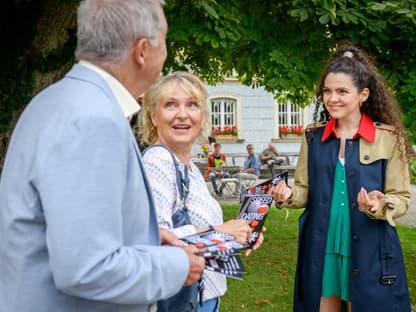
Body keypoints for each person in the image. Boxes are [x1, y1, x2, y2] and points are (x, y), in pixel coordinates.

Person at [0, 1, 205, 311]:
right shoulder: (93, 119)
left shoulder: (58, 100)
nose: (165, 50)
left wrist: (145, 240)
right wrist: (175, 265)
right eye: (164, 39)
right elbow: (86, 269)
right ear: (142, 51)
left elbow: (67, 226)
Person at [272, 42, 411, 311]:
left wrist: (377, 205)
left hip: (370, 248)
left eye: (342, 91)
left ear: (363, 94)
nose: (332, 98)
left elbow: (401, 198)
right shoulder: (312, 137)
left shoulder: (389, 139)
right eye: (327, 91)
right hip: (322, 246)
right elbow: (303, 190)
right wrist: (288, 195)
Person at [139, 71, 264, 312]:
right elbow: (154, 238)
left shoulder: (189, 168)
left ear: (203, 116)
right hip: (180, 302)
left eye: (192, 105)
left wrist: (237, 235)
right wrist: (220, 230)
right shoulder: (158, 162)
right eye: (171, 105)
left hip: (203, 299)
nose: (182, 114)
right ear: (154, 116)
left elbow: (199, 238)